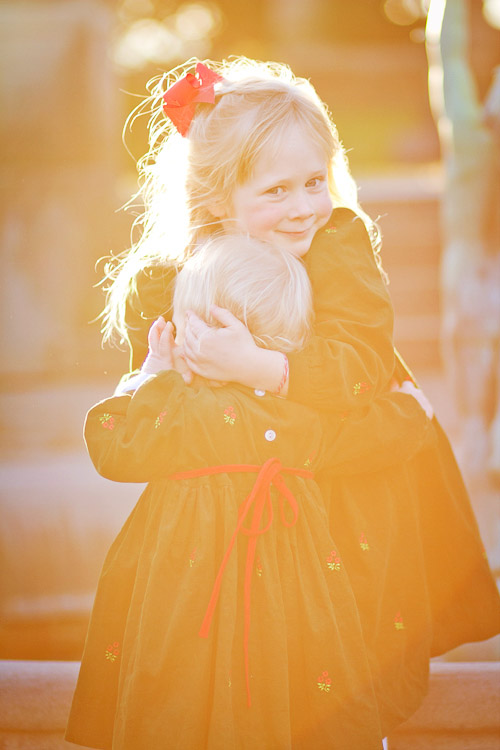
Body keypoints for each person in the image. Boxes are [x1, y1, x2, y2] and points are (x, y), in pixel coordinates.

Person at [98, 58, 500, 735]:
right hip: (231, 503)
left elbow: (361, 363)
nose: (304, 206)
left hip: (346, 493)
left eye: (315, 181)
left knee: (344, 643)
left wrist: (263, 367)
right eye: (277, 190)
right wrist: (157, 375)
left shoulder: (335, 251)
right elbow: (163, 411)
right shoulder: (167, 283)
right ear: (220, 197)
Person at [66, 235, 434, 749]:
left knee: (179, 682)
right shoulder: (298, 411)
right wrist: (413, 409)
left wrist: (151, 372)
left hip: (185, 592)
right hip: (292, 584)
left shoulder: (178, 409)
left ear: (198, 331)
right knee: (297, 674)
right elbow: (363, 435)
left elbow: (114, 445)